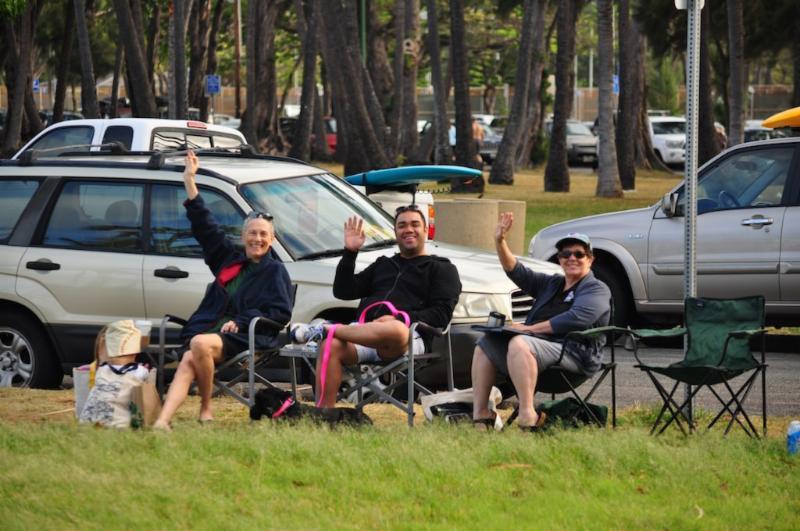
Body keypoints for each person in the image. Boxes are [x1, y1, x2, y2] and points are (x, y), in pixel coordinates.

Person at [153, 151, 293, 430]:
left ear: (272, 239)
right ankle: (162, 421)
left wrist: (240, 321)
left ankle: (206, 407)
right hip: (209, 330)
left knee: (198, 345)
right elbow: (205, 226)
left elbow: (280, 313)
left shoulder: (275, 271)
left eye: (263, 234)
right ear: (243, 237)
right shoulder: (228, 259)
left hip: (246, 338)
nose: (257, 238)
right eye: (252, 233)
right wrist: (189, 180)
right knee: (191, 357)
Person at [291, 205, 462, 408]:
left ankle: (327, 329)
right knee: (331, 346)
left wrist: (400, 319)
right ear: (395, 232)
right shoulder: (383, 265)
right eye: (402, 225)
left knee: (397, 330)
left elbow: (441, 314)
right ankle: (324, 414)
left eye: (415, 224)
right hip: (365, 334)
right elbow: (343, 291)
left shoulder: (442, 268)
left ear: (426, 231)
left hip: (407, 339)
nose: (408, 229)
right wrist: (350, 253)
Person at [472, 213, 610, 430]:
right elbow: (517, 272)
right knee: (485, 343)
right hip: (538, 351)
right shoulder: (553, 284)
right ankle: (481, 414)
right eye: (565, 254)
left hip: (574, 355)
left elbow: (576, 318)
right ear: (559, 259)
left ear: (590, 259)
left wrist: (529, 330)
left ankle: (528, 415)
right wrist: (500, 242)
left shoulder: (596, 289)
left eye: (579, 254)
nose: (571, 258)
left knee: (519, 342)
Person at [80, 319, 151, 428]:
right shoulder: (140, 371)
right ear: (135, 352)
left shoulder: (102, 369)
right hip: (119, 425)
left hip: (88, 421)